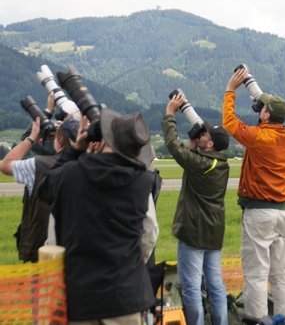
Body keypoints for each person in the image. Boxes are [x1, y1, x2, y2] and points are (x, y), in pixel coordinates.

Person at [42, 109, 157, 323]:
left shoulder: (70, 174)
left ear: (104, 140)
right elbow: (149, 233)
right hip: (126, 296)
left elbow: (45, 188)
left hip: (80, 295)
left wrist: (75, 151)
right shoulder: (142, 182)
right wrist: (130, 263)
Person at [222, 66, 285, 320]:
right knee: (281, 273)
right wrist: (265, 104)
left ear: (265, 115)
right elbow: (270, 123)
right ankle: (283, 318)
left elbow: (230, 123)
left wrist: (231, 90)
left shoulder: (260, 137)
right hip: (282, 214)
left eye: (263, 109)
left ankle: (257, 320)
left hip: (259, 213)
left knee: (256, 273)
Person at [163, 92, 231, 325]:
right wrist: (194, 146)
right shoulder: (219, 163)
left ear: (210, 143)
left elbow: (173, 146)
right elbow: (195, 162)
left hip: (194, 232)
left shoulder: (203, 163)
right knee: (215, 284)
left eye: (205, 134)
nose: (201, 134)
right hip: (213, 233)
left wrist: (170, 115)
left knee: (191, 287)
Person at [0, 116, 78, 262]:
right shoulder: (90, 165)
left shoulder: (38, 165)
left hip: (40, 250)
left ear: (59, 141)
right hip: (77, 251)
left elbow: (5, 165)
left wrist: (31, 138)